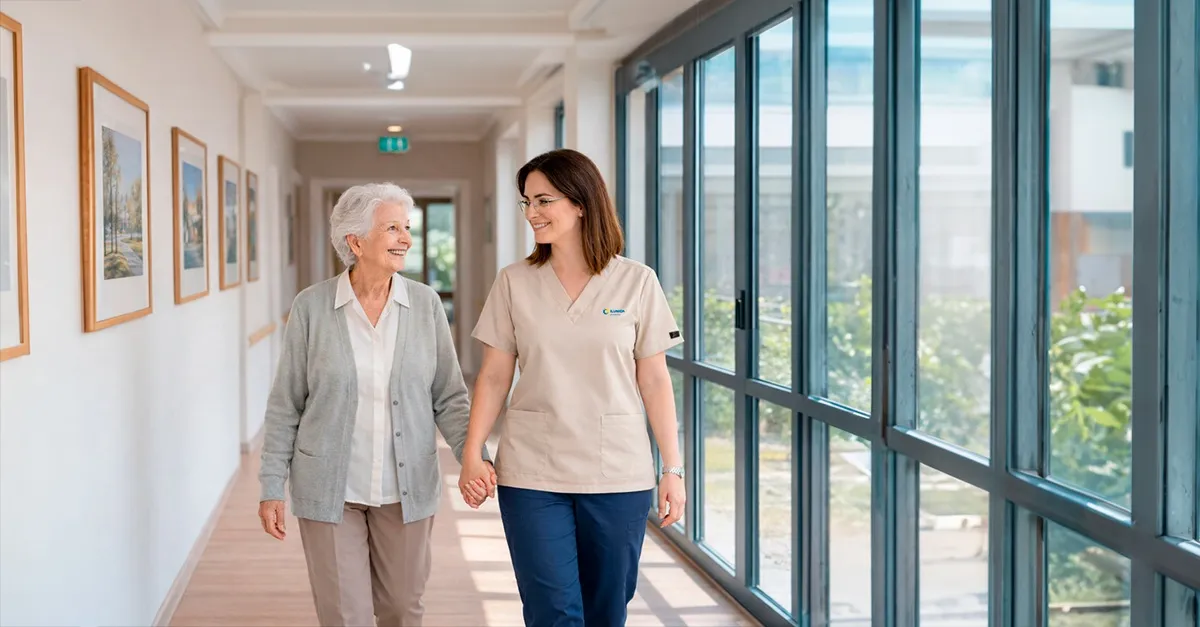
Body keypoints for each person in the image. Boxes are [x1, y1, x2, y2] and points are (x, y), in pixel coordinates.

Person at [457, 149, 686, 627]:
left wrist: (673, 469)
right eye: (527, 202)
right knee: (552, 610)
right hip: (532, 472)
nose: (532, 213)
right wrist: (472, 450)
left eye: (544, 200)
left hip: (618, 472)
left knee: (607, 608)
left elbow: (655, 379)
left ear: (581, 202)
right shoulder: (514, 282)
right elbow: (495, 375)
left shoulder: (636, 281)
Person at [257, 183, 493, 627]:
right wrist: (272, 484)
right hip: (330, 491)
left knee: (403, 610)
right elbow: (285, 404)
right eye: (393, 228)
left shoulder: (425, 306)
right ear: (356, 241)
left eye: (407, 228)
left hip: (404, 490)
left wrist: (471, 458)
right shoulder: (311, 307)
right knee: (345, 617)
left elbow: (449, 396)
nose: (406, 238)